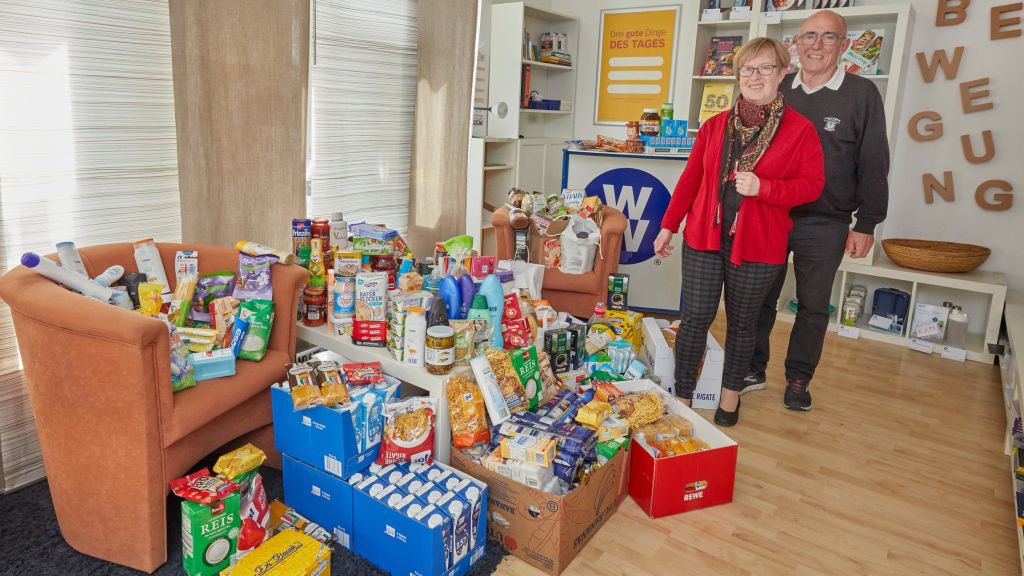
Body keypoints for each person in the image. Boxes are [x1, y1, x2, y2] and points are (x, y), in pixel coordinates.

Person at [653, 37, 824, 427]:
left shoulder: (801, 131)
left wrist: (765, 189)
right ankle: (683, 396)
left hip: (760, 244)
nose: (755, 76)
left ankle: (729, 400)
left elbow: (812, 185)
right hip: (704, 237)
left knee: (744, 323)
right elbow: (690, 179)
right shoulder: (714, 127)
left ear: (783, 73)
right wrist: (668, 225)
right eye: (747, 69)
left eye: (765, 68)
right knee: (695, 318)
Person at [744, 10, 890, 412]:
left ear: (844, 46)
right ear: (796, 44)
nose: (817, 45)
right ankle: (752, 368)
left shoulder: (862, 94)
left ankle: (798, 378)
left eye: (828, 37)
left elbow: (874, 161)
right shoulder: (778, 86)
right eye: (809, 36)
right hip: (771, 213)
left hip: (827, 221)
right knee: (759, 298)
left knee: (812, 305)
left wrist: (868, 222)